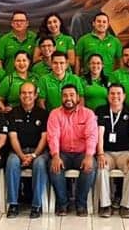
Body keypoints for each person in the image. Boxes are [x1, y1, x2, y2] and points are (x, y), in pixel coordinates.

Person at [47, 85, 99, 216]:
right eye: (65, 95)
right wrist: (55, 155)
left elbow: (92, 136)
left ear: (77, 98)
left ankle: (81, 204)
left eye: (71, 95)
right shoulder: (55, 114)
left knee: (90, 167)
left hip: (82, 153)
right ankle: (63, 204)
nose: (68, 98)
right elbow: (53, 136)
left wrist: (89, 156)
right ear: (61, 98)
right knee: (55, 168)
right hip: (62, 153)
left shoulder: (88, 114)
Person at [95, 84, 129, 218]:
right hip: (107, 152)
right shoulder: (101, 111)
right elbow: (100, 134)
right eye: (112, 93)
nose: (115, 96)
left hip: (124, 153)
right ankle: (105, 205)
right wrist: (101, 154)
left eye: (119, 93)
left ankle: (126, 205)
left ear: (124, 96)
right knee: (101, 167)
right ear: (108, 96)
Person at [5, 82, 50, 218]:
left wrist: (34, 155)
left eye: (30, 93)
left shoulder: (43, 114)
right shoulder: (13, 113)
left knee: (40, 164)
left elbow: (44, 138)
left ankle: (36, 205)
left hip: (39, 152)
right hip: (19, 151)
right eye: (24, 93)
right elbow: (13, 137)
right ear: (19, 95)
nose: (27, 96)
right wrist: (22, 156)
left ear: (36, 95)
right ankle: (13, 204)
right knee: (12, 162)